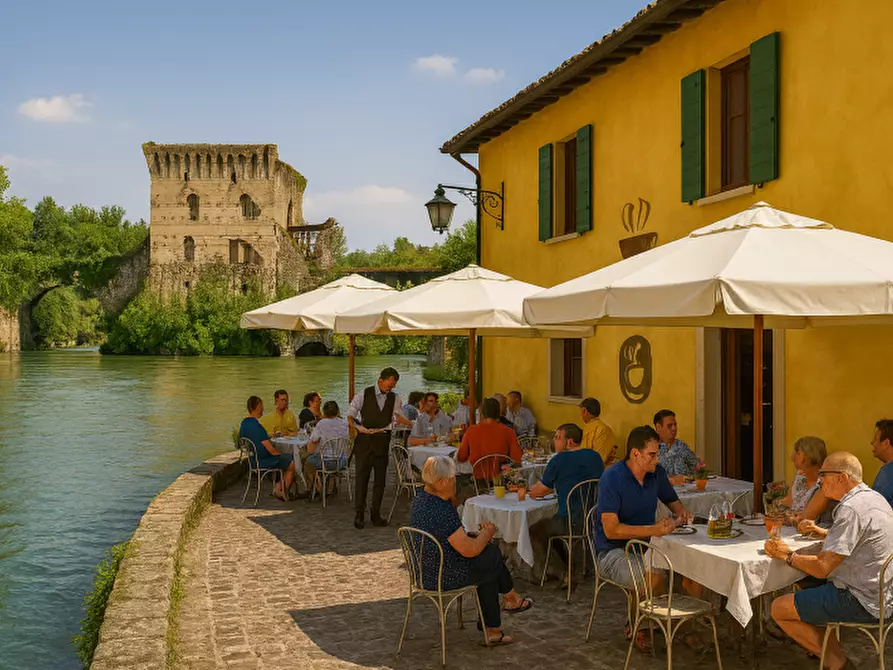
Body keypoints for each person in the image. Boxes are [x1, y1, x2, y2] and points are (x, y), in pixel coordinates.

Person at [766, 452, 893, 670]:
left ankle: (839, 664)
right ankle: (824, 648)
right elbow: (861, 537)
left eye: (824, 475)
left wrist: (787, 555)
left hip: (861, 599)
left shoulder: (850, 509)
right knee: (804, 583)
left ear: (842, 477)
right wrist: (822, 531)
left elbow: (823, 567)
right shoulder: (873, 498)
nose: (820, 480)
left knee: (778, 608)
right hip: (884, 592)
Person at [593, 425, 702, 653]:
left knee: (694, 571)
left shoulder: (656, 473)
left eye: (658, 453)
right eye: (652, 454)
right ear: (635, 454)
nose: (657, 459)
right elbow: (611, 530)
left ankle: (685, 628)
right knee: (654, 577)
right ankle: (638, 625)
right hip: (612, 552)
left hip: (648, 546)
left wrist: (683, 516)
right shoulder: (612, 478)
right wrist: (652, 529)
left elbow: (676, 506)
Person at [409, 455, 533, 645]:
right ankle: (501, 612)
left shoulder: (421, 498)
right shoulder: (441, 509)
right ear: (441, 482)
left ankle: (502, 613)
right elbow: (470, 550)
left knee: (488, 558)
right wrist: (487, 533)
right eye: (453, 479)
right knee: (489, 558)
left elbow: (450, 538)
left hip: (425, 569)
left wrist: (476, 535)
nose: (455, 483)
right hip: (442, 574)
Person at [529, 423, 604, 586]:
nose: (554, 441)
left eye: (557, 437)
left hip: (568, 521)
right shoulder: (595, 456)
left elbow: (539, 491)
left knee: (535, 530)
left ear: (569, 442)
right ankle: (576, 569)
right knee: (552, 524)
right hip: (592, 518)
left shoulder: (560, 459)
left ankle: (560, 572)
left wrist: (526, 491)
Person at [348, 367, 413, 529]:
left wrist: (413, 424)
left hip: (382, 441)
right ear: (380, 380)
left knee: (380, 481)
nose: (390, 388)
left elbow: (398, 416)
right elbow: (350, 415)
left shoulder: (394, 398)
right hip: (364, 442)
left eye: (393, 386)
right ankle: (359, 515)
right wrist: (359, 428)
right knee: (361, 479)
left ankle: (375, 514)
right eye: (388, 385)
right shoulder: (363, 394)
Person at [239, 395, 297, 500]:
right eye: (261, 406)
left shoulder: (244, 423)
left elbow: (249, 440)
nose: (262, 409)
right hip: (262, 460)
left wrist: (269, 436)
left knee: (286, 459)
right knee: (292, 463)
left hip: (252, 460)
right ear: (255, 408)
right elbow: (272, 450)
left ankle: (280, 487)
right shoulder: (257, 426)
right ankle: (278, 489)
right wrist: (283, 455)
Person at [457, 397, 522, 480]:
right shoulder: (509, 432)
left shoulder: (471, 430)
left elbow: (461, 457)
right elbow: (517, 460)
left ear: (482, 413)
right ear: (498, 412)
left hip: (478, 482)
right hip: (501, 481)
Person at [778, 436, 832, 522]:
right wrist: (774, 503)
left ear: (808, 456)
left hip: (812, 531)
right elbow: (789, 501)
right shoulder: (800, 476)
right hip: (792, 527)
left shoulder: (825, 483)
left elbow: (808, 517)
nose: (792, 456)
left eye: (797, 453)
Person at [305, 400, 351, 494]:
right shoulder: (344, 423)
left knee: (308, 462)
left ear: (325, 412)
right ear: (337, 411)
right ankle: (330, 484)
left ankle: (317, 486)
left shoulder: (322, 423)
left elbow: (313, 440)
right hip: (342, 461)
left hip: (327, 461)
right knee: (324, 456)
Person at [653, 409, 699, 484]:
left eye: (675, 425)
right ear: (658, 427)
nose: (674, 428)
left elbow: (699, 469)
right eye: (669, 426)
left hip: (686, 491)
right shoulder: (651, 449)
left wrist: (689, 477)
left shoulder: (682, 447)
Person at [579, 397, 617, 468]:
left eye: (581, 412)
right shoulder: (589, 427)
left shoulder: (603, 430)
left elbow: (599, 459)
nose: (580, 415)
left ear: (585, 411)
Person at [870, 419, 893, 506]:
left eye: (876, 439)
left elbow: (874, 506)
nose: (872, 443)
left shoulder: (888, 472)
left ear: (886, 443)